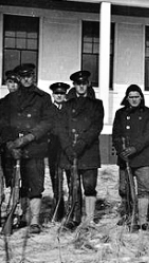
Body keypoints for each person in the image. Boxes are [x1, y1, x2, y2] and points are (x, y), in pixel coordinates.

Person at [2, 63, 55, 234]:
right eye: (22, 76)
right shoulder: (8, 100)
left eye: (29, 76)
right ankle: (22, 216)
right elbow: (2, 124)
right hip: (13, 150)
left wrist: (29, 137)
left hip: (35, 148)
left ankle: (34, 221)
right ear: (18, 78)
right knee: (18, 185)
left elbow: (48, 121)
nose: (26, 79)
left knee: (35, 185)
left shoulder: (43, 98)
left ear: (34, 77)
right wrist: (10, 144)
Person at [58, 70, 104, 230]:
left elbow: (96, 126)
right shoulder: (67, 105)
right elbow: (61, 128)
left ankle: (90, 219)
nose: (81, 86)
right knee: (73, 185)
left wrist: (82, 143)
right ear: (74, 85)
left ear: (88, 84)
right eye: (78, 84)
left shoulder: (97, 104)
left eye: (84, 83)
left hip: (88, 151)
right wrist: (67, 148)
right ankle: (75, 217)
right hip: (70, 152)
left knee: (89, 186)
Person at [112, 85, 149, 231]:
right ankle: (129, 217)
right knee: (125, 189)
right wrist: (121, 151)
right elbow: (116, 135)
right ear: (127, 98)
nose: (134, 99)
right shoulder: (120, 113)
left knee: (144, 189)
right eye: (131, 97)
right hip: (125, 159)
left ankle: (143, 220)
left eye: (137, 96)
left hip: (142, 157)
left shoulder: (148, 113)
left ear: (141, 97)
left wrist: (135, 148)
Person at [48, 82, 70, 222]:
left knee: (71, 180)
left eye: (62, 94)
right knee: (56, 180)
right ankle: (58, 210)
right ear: (53, 95)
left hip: (67, 151)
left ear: (65, 95)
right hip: (53, 150)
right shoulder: (48, 110)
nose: (59, 96)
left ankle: (72, 211)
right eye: (57, 94)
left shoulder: (70, 109)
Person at [1, 70, 20, 192]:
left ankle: (22, 205)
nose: (12, 85)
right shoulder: (2, 103)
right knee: (9, 175)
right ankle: (10, 202)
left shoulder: (27, 102)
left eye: (15, 83)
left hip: (23, 143)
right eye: (10, 82)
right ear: (6, 84)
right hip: (6, 144)